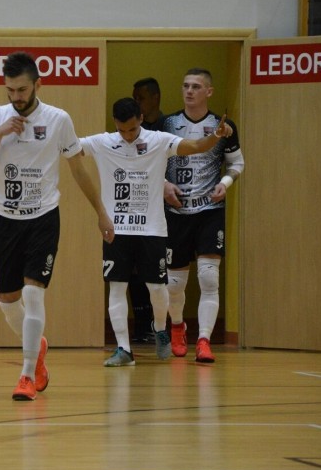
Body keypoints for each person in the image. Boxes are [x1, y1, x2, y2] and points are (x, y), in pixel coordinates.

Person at [0, 51, 114, 400]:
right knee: (8, 300)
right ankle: (39, 348)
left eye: (21, 90)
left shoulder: (58, 119)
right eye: (10, 91)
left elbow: (78, 168)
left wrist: (101, 212)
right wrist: (0, 133)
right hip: (6, 218)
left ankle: (27, 374)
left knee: (34, 293)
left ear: (37, 84)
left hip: (43, 217)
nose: (16, 98)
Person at [79, 97, 233, 366]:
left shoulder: (160, 140)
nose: (127, 135)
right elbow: (69, 148)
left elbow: (197, 146)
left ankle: (161, 330)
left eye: (132, 129)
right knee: (117, 286)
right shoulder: (102, 142)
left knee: (157, 287)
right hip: (117, 228)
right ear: (115, 123)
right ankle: (123, 349)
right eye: (121, 129)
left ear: (140, 118)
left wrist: (216, 136)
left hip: (152, 228)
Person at [163, 68, 244, 363]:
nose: (189, 91)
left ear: (209, 91)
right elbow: (149, 161)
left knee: (209, 278)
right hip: (176, 211)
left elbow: (237, 163)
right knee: (173, 284)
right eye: (185, 85)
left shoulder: (223, 127)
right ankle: (177, 327)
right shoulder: (167, 123)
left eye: (196, 86)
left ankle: (204, 340)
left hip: (210, 211)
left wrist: (225, 184)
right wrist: (163, 184)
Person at [129, 77, 165, 344]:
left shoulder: (169, 127)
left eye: (140, 97)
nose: (136, 103)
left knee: (160, 271)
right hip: (135, 205)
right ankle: (141, 325)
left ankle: (161, 326)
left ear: (155, 98)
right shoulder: (130, 129)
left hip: (164, 209)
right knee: (133, 270)